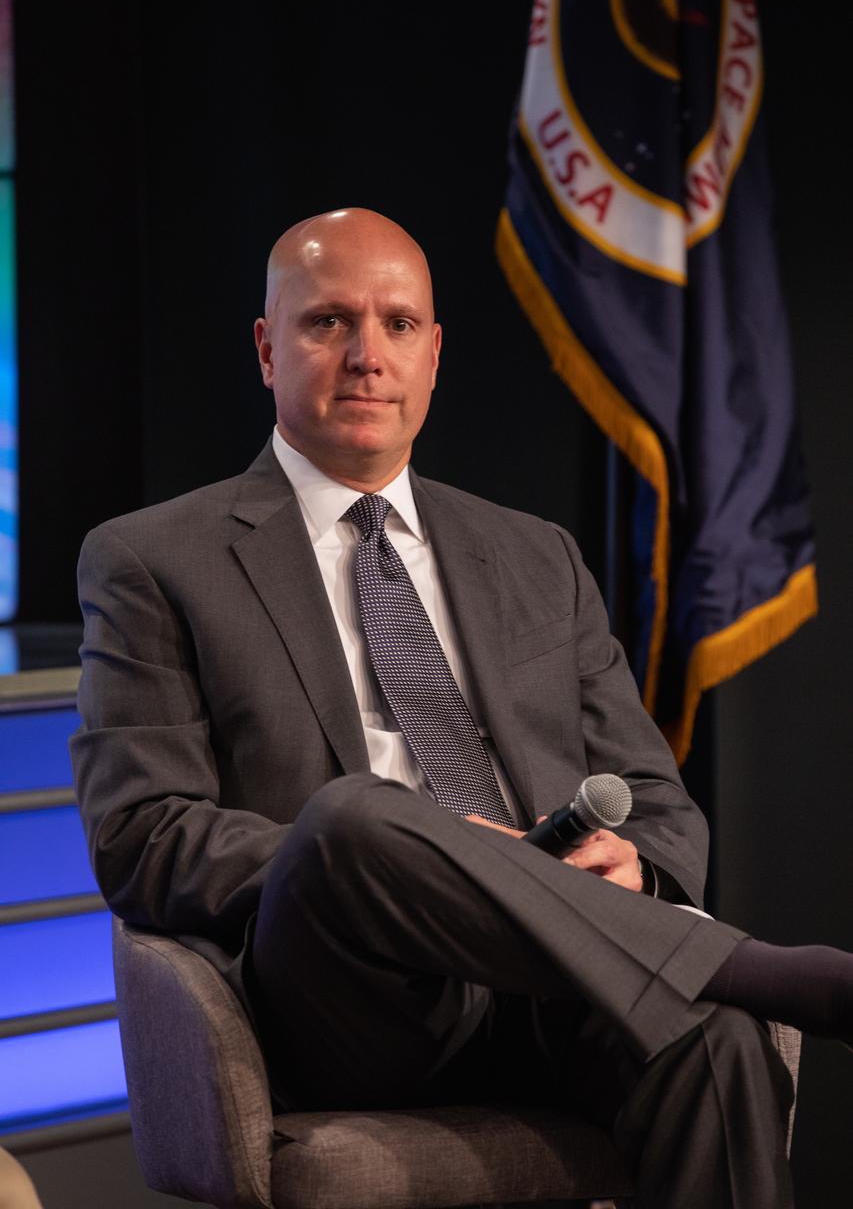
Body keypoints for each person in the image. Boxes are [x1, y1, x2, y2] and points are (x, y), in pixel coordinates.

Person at [72, 208, 851, 1209]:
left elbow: (659, 808)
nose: (367, 355)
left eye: (398, 324)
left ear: (434, 355)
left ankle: (725, 985)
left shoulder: (537, 555)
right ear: (268, 349)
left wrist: (637, 865)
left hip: (551, 996)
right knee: (355, 817)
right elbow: (141, 835)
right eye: (327, 323)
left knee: (720, 1042)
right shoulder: (152, 559)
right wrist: (426, 849)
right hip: (350, 1001)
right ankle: (780, 972)